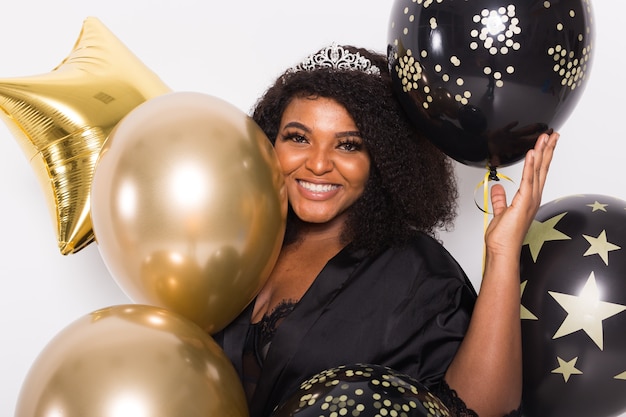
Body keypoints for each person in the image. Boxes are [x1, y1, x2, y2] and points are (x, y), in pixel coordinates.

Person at [213, 43, 558, 417]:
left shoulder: (418, 275)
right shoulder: (239, 233)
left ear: (382, 159)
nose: (317, 164)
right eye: (298, 137)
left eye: (348, 146)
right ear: (270, 141)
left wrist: (502, 252)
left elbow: (480, 409)